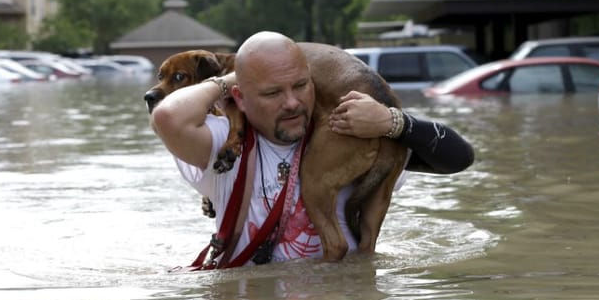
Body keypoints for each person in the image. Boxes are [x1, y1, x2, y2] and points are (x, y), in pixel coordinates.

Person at [151, 31, 473, 269]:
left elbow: (459, 158)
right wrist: (229, 78)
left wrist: (395, 123)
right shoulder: (224, 145)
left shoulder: (349, 134)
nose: (291, 102)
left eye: (301, 85)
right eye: (272, 91)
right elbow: (167, 116)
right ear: (242, 97)